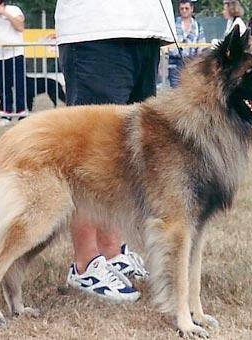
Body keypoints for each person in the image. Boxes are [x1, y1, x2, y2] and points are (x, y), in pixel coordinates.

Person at [54, 0, 176, 301]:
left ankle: (110, 253)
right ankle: (85, 263)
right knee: (89, 154)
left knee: (123, 157)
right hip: (97, 29)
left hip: (145, 31)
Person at [168, 0, 206, 88]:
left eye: (186, 8)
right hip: (175, 61)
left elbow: (202, 46)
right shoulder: (173, 24)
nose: (184, 11)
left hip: (191, 62)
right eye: (182, 9)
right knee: (175, 89)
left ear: (191, 9)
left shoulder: (198, 26)